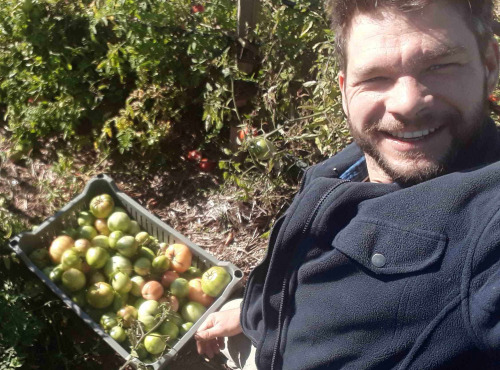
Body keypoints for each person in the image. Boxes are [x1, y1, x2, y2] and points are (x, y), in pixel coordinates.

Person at [195, 0, 500, 368]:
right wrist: (254, 311)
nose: (406, 103)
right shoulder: (354, 162)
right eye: (374, 77)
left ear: (490, 64)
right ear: (344, 89)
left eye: (440, 65)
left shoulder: (489, 222)